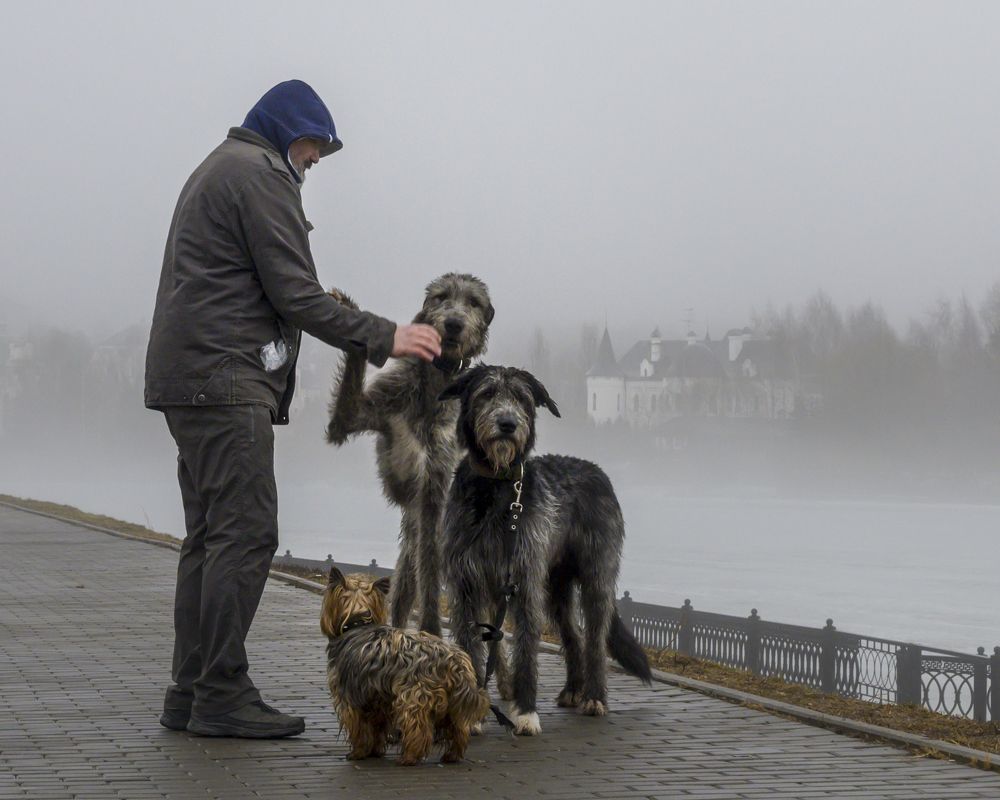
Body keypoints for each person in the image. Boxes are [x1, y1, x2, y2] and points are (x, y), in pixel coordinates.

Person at [144, 80, 441, 738]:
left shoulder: (220, 168)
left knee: (209, 537)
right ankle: (221, 692)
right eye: (314, 148)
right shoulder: (260, 175)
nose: (315, 161)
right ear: (289, 130)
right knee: (246, 533)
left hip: (189, 377)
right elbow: (295, 294)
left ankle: (190, 691)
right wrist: (385, 336)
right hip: (225, 380)